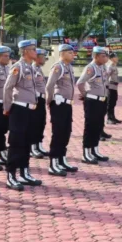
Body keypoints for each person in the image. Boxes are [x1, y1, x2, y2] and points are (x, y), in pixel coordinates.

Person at [3, 40, 42, 190]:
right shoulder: (17, 67)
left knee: (27, 142)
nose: (36, 52)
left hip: (30, 110)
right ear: (25, 51)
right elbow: (7, 87)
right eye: (33, 49)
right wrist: (7, 108)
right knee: (16, 143)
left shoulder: (31, 68)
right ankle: (11, 175)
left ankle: (24, 172)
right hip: (19, 109)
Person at [45, 44, 78, 176]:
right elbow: (49, 85)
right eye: (70, 53)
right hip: (58, 104)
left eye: (72, 53)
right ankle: (53, 163)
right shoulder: (58, 67)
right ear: (62, 54)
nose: (72, 55)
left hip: (67, 104)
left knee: (66, 132)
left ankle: (61, 159)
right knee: (58, 133)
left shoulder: (68, 67)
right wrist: (50, 101)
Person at [76, 47, 110, 162]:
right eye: (103, 56)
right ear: (96, 56)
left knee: (98, 126)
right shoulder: (90, 68)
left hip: (102, 100)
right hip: (92, 101)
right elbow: (80, 83)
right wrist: (85, 95)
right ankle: (86, 153)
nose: (106, 58)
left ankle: (95, 150)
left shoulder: (102, 67)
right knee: (90, 127)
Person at [30, 49, 50, 159]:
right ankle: (33, 147)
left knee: (41, 123)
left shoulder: (38, 69)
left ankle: (39, 144)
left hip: (41, 99)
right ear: (37, 57)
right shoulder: (32, 69)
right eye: (43, 56)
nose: (45, 59)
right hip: (35, 99)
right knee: (34, 124)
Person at [106, 53, 121, 124]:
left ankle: (113, 117)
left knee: (113, 102)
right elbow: (107, 77)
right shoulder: (110, 66)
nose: (117, 58)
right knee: (110, 103)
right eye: (116, 57)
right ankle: (109, 118)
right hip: (111, 87)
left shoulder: (114, 66)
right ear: (111, 58)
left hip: (114, 87)